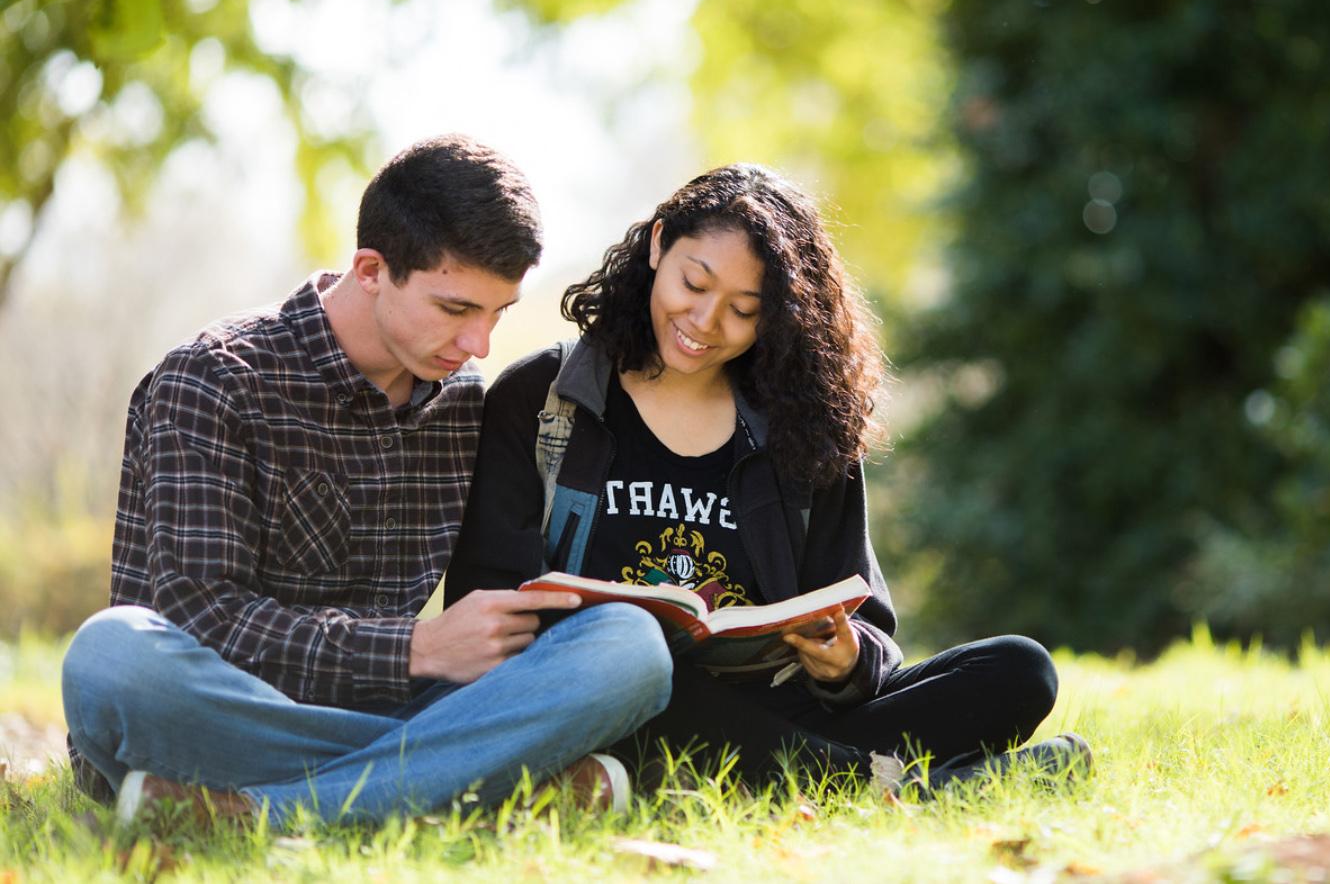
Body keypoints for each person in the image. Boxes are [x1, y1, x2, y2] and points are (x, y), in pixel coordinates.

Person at [60, 135, 673, 827]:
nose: (480, 344)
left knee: (630, 647)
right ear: (372, 268)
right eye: (455, 309)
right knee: (111, 659)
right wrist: (419, 647)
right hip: (220, 710)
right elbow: (204, 619)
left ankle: (260, 813)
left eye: (497, 311)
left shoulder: (464, 402)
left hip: (391, 705)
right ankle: (478, 783)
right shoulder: (214, 380)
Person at [444, 164, 1090, 795]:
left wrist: (845, 660)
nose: (704, 322)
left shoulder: (803, 426)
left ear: (778, 316)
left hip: (779, 711)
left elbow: (863, 621)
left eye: (743, 309)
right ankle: (887, 786)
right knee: (640, 663)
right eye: (694, 284)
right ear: (660, 243)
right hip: (620, 705)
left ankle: (781, 779)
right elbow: (484, 605)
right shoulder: (542, 399)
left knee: (1018, 669)